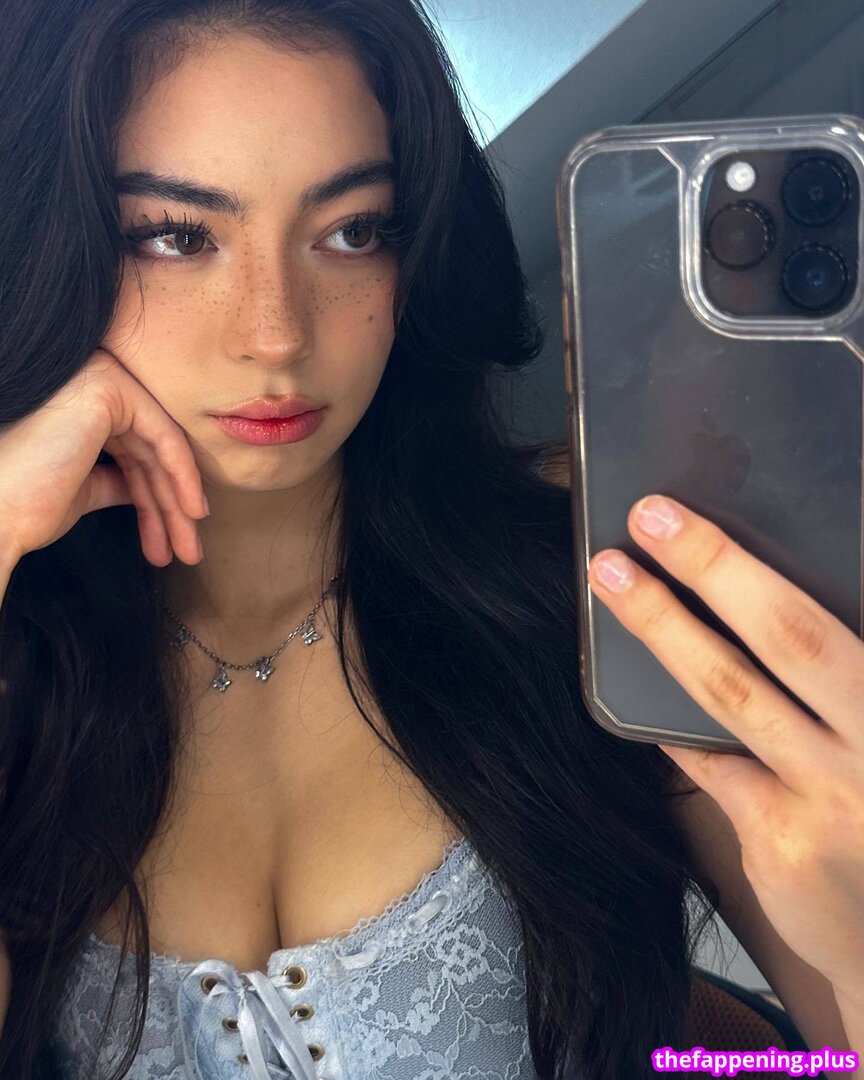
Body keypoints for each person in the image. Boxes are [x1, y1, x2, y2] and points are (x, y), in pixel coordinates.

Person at [0, 0, 862, 1077]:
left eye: (353, 230)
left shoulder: (591, 592)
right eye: (176, 236)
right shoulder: (20, 641)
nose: (276, 334)